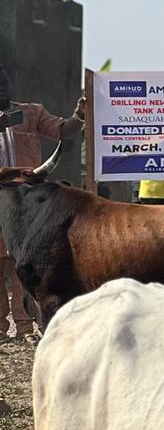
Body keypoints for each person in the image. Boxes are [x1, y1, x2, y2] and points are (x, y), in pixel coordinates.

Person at [0, 64, 86, 342]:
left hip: (27, 201)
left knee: (23, 265)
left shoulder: (31, 112)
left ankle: (26, 327)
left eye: (3, 80)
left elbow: (64, 130)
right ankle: (1, 328)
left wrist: (79, 116)